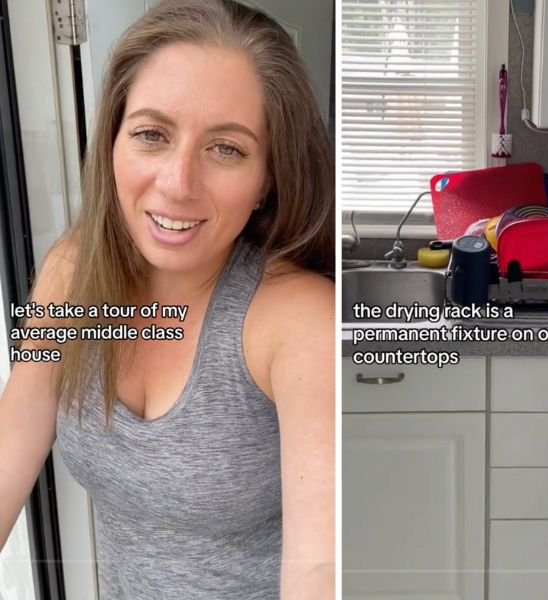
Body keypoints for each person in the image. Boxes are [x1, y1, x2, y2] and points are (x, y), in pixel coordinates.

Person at [0, 1, 335, 598]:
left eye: (226, 148)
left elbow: (319, 570)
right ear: (113, 141)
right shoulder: (71, 274)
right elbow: (9, 450)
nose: (178, 184)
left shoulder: (300, 320)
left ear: (268, 178)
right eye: (151, 134)